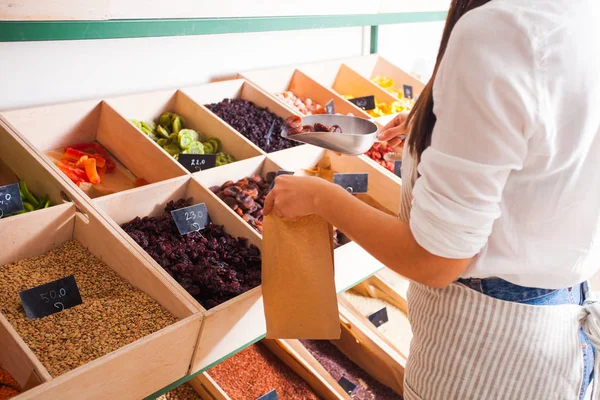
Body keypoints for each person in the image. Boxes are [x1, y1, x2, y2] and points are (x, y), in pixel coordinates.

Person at [264, 0, 600, 398]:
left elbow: (434, 260)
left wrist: (323, 198)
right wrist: (446, 132)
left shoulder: (498, 32)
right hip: (557, 330)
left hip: (486, 356)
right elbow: (549, 149)